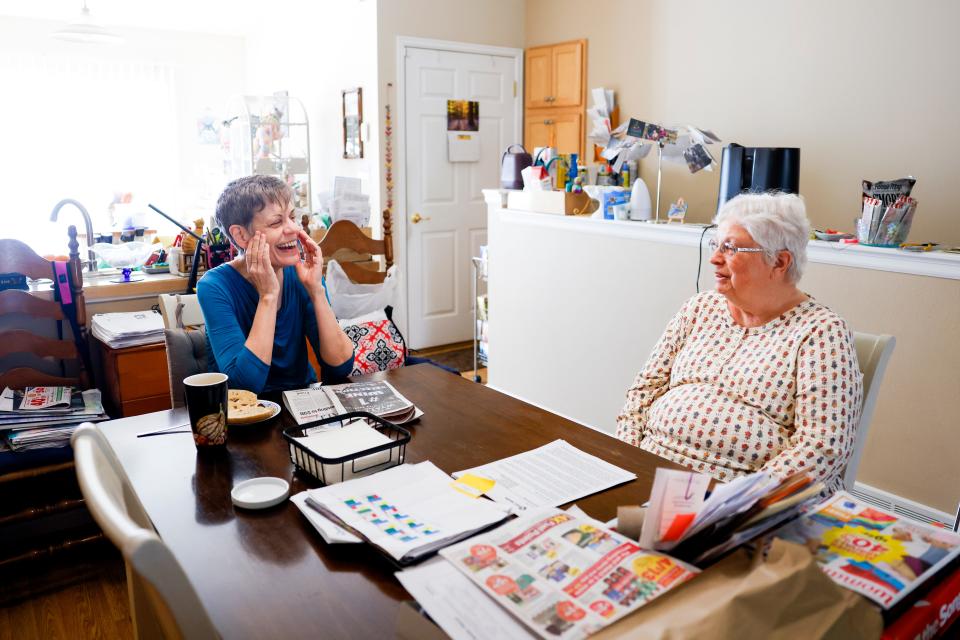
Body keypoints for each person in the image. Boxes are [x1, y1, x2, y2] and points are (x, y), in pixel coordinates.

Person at [616, 192, 863, 494]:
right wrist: (625, 461)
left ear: (779, 261)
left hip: (740, 502)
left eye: (730, 247)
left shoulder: (821, 332)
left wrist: (736, 501)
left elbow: (821, 448)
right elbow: (643, 392)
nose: (714, 258)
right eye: (715, 244)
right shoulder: (699, 308)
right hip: (647, 474)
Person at [197, 175, 354, 393]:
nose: (294, 229)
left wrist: (316, 290)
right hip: (246, 416)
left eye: (292, 217)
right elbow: (244, 386)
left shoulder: (301, 273)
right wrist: (268, 296)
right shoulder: (214, 286)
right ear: (241, 235)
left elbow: (341, 367)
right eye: (276, 222)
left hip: (301, 402)